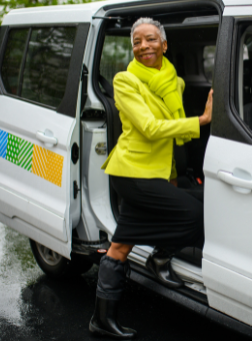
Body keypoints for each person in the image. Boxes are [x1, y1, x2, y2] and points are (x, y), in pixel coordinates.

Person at [90, 17, 213, 339]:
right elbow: (149, 128)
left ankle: (102, 319)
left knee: (120, 245)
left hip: (158, 171)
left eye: (151, 40)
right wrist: (200, 120)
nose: (143, 46)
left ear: (164, 44)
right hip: (131, 172)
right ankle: (160, 256)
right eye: (137, 42)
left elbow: (170, 139)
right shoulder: (125, 81)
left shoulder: (176, 81)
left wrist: (172, 176)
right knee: (193, 213)